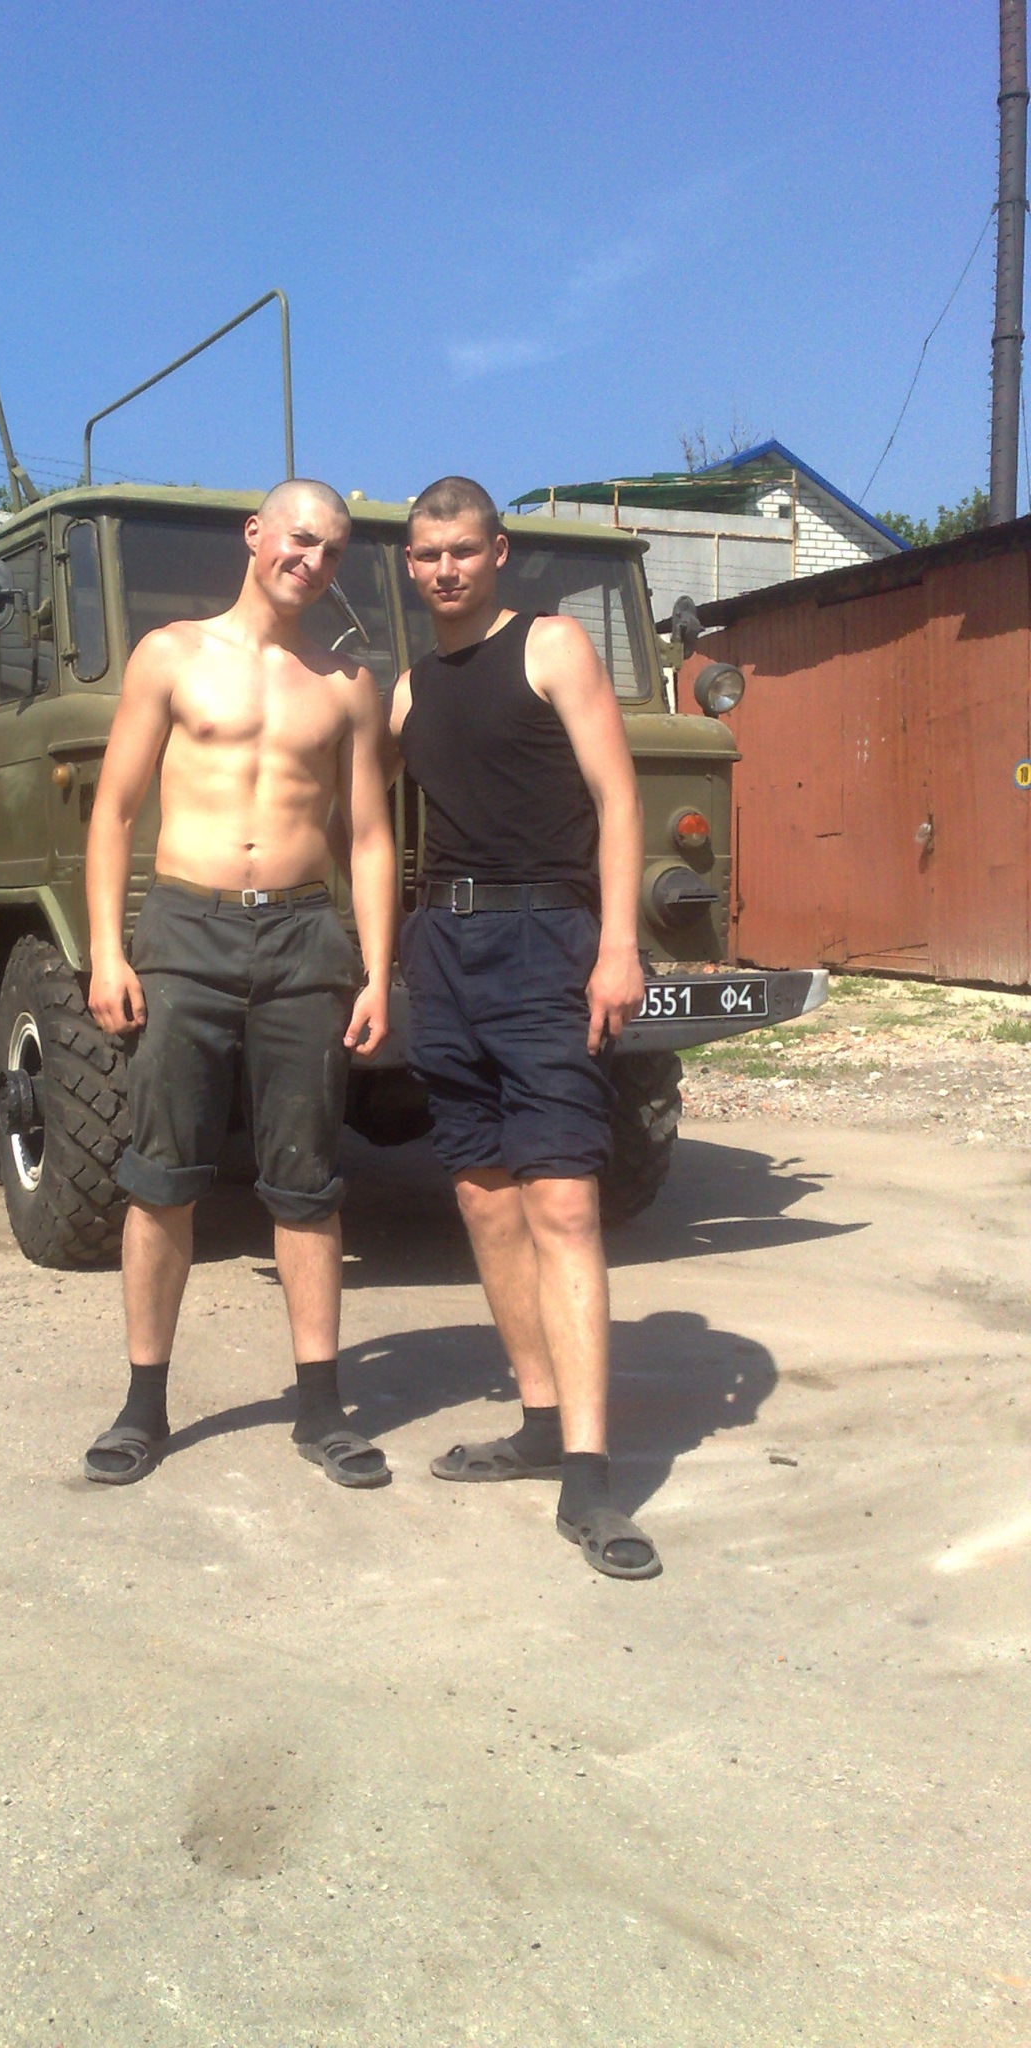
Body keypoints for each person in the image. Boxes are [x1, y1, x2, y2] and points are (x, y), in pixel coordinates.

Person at [82, 480, 398, 1490]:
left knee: (307, 1181)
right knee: (161, 1175)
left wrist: (377, 971)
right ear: (256, 535)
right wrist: (107, 950)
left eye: (333, 550)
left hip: (304, 938)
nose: (313, 561)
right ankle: (143, 1405)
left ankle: (322, 1409)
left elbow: (370, 836)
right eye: (300, 539)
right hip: (187, 930)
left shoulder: (346, 683)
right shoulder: (171, 655)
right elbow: (113, 809)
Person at [387, 475, 661, 1578]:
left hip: (549, 941)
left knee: (564, 1201)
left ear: (497, 551)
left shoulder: (550, 646)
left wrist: (618, 945)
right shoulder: (408, 689)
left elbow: (620, 797)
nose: (444, 568)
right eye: (425, 555)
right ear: (409, 565)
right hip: (443, 950)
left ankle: (590, 1478)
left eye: (461, 549)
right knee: (485, 1197)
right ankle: (540, 1420)